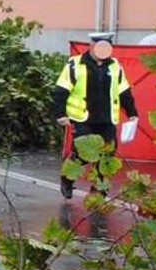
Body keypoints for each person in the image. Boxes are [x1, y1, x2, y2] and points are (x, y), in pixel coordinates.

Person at [52, 32, 138, 199]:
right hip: (83, 118)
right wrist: (60, 114)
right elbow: (61, 91)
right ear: (91, 46)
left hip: (106, 119)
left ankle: (99, 188)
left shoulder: (115, 66)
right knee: (82, 154)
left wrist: (132, 113)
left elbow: (124, 92)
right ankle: (67, 179)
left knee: (107, 155)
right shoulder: (75, 64)